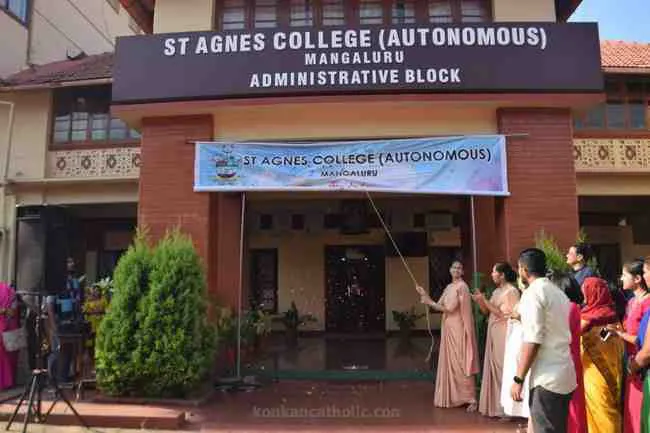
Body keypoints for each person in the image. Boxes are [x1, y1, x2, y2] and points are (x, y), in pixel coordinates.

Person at [510, 248, 576, 433]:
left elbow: (533, 340)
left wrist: (518, 378)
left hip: (547, 378)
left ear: (523, 270)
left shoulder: (533, 293)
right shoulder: (556, 291)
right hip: (564, 374)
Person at [418, 260, 479, 411]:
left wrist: (429, 302)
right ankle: (454, 397)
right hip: (448, 327)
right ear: (450, 270)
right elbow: (439, 305)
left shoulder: (462, 287)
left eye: (459, 268)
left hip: (458, 328)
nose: (456, 270)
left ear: (462, 272)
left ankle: (471, 398)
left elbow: (450, 308)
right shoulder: (449, 287)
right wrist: (424, 295)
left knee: (461, 361)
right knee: (451, 362)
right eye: (454, 267)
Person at [472, 262, 520, 418]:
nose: (492, 275)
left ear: (502, 275)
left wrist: (484, 300)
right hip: (493, 332)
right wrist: (480, 300)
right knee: (494, 368)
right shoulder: (497, 291)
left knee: (502, 368)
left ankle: (507, 409)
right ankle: (495, 407)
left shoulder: (511, 291)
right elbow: (487, 311)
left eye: (494, 272)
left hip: (504, 332)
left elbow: (503, 314)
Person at [581, 276, 625, 433]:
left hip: (595, 372)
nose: (583, 295)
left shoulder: (590, 317)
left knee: (600, 407)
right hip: (613, 368)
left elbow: (572, 334)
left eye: (585, 290)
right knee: (609, 406)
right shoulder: (612, 313)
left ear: (592, 293)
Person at [549, 272, 588, 433]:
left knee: (571, 405)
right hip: (571, 358)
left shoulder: (568, 307)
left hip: (565, 359)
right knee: (573, 403)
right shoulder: (573, 307)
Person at [628, 256, 650, 433]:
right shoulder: (632, 302)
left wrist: (632, 367)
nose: (645, 276)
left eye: (646, 272)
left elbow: (647, 351)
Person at [0, 282, 19, 390]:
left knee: (7, 355)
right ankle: (7, 383)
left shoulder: (8, 291)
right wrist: (4, 310)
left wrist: (3, 310)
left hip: (7, 329)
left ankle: (6, 383)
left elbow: (12, 311)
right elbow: (11, 311)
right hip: (8, 328)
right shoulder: (9, 291)